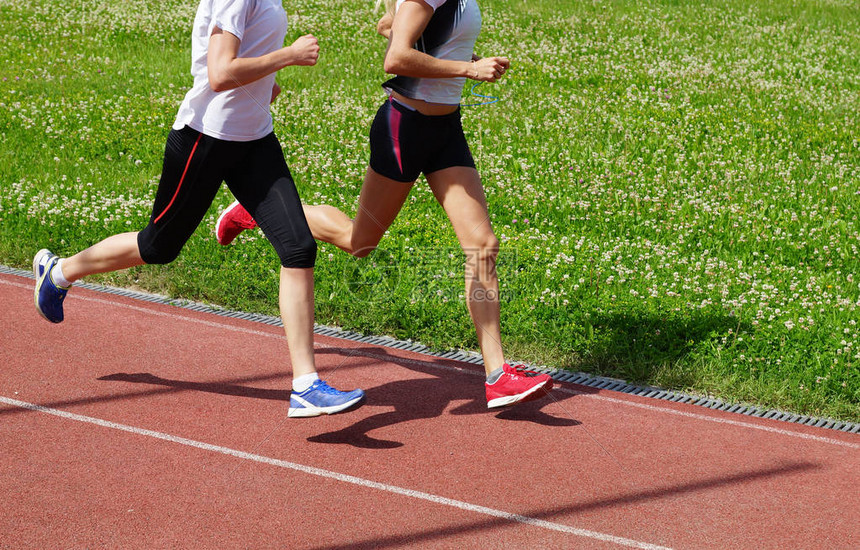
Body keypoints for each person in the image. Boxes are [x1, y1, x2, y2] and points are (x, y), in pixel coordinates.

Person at [32, 0, 364, 418]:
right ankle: (60, 272)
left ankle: (305, 385)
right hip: (205, 140)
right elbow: (220, 73)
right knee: (158, 247)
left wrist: (267, 81)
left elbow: (245, 57)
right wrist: (289, 56)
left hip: (254, 140)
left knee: (299, 247)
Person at [215, 0, 553, 409]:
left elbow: (391, 26)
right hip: (403, 129)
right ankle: (259, 211)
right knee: (359, 242)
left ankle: (498, 375)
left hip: (445, 129)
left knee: (483, 246)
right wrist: (468, 69)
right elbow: (396, 57)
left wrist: (461, 55)